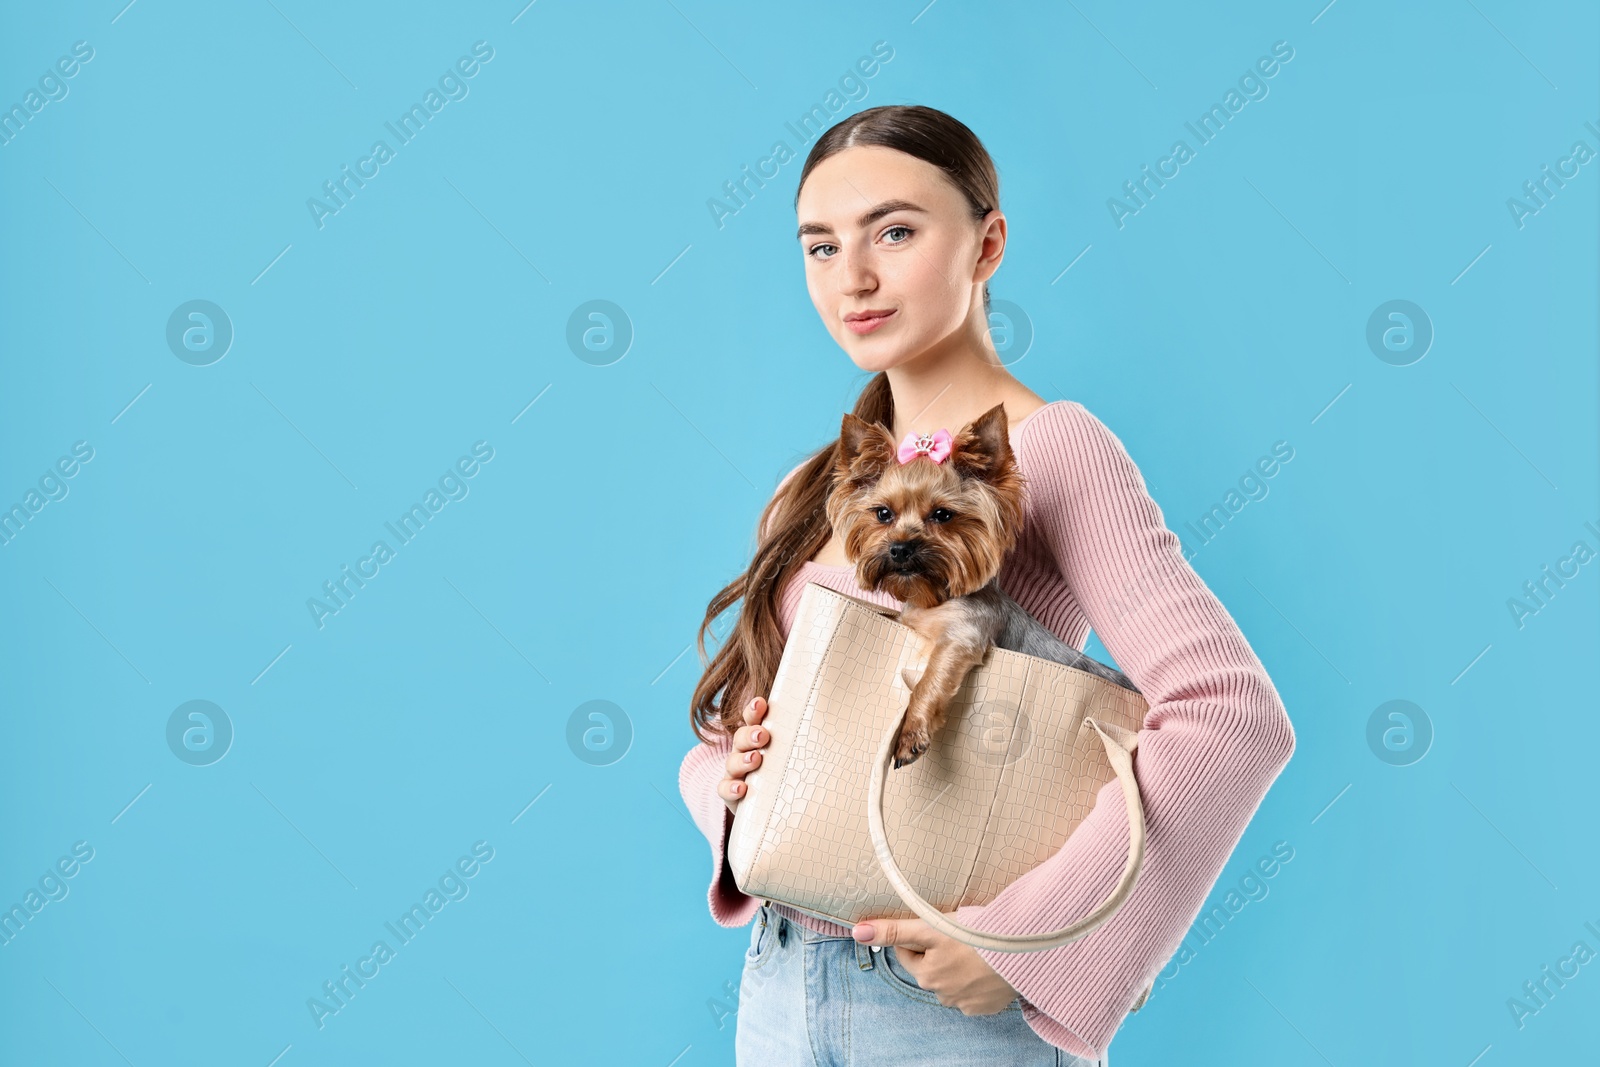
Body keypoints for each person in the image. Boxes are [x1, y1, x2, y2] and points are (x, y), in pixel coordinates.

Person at [677, 104, 1295, 1065]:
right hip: (778, 980)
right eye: (820, 246)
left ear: (987, 242)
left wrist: (1027, 945)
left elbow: (1231, 715)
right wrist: (733, 778)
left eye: (894, 231)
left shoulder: (1054, 450)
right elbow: (726, 731)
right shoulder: (818, 489)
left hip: (941, 1013)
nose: (856, 277)